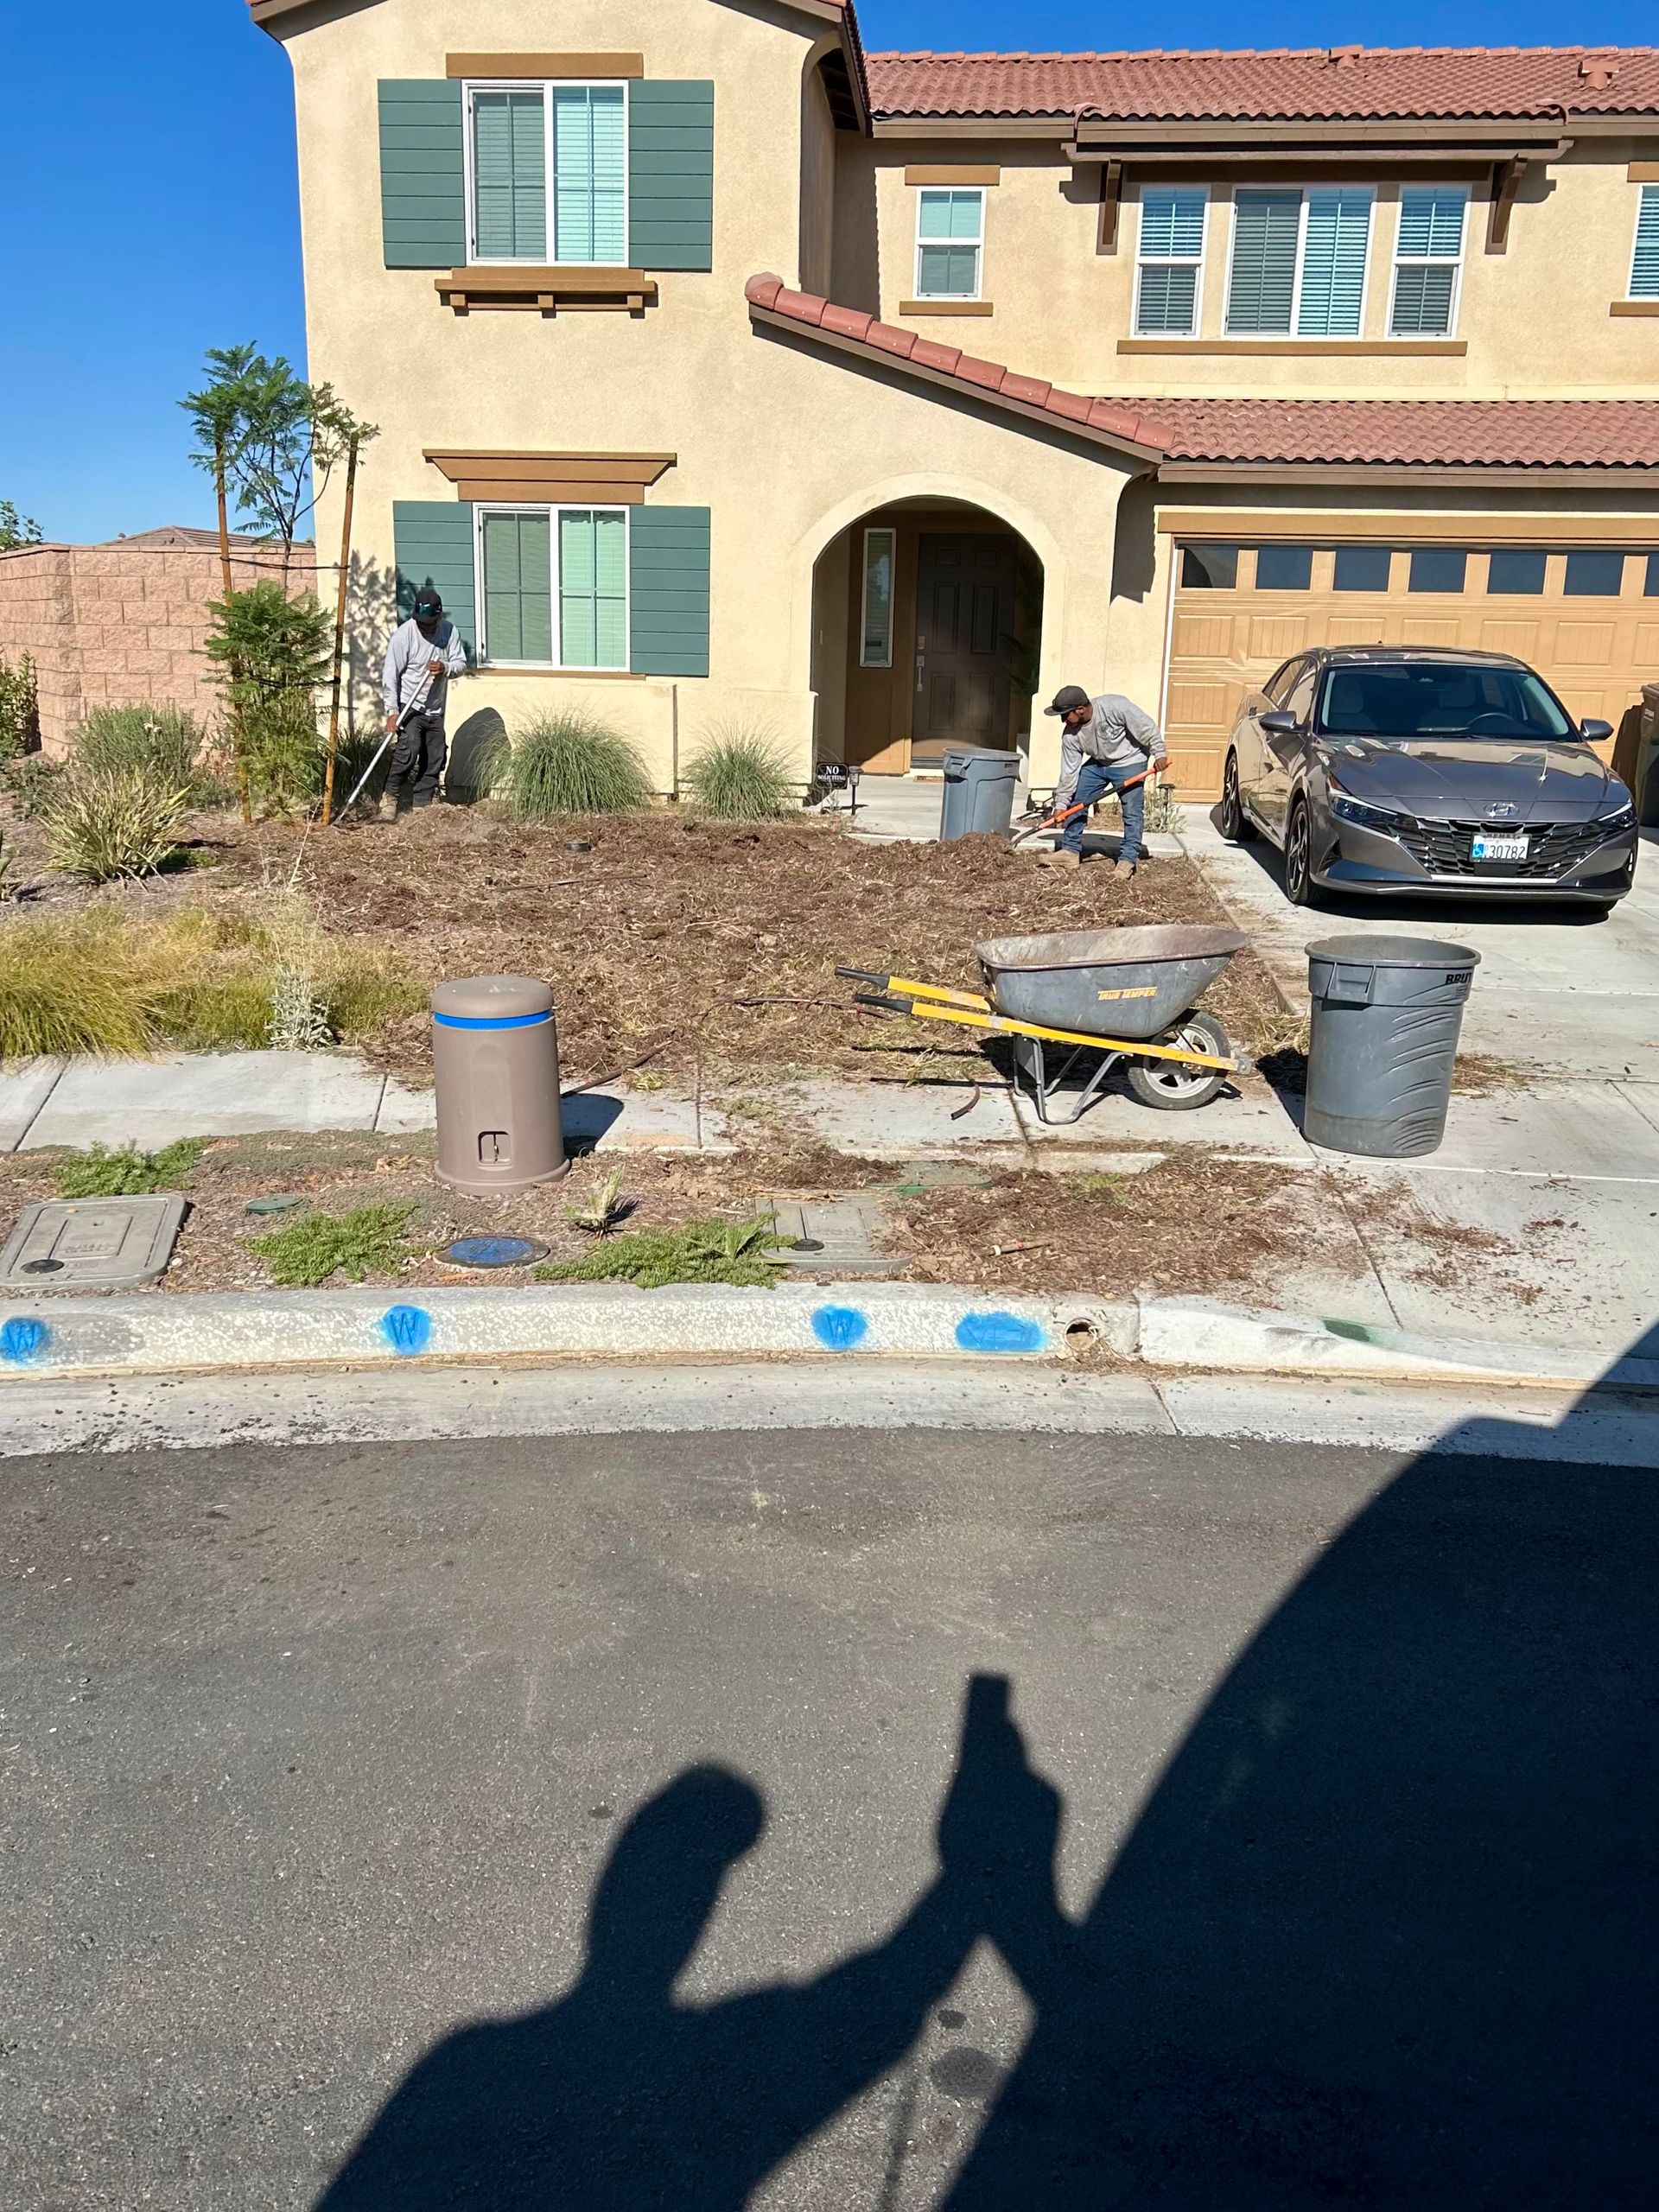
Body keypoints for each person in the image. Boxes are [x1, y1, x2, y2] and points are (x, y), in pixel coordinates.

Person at [1038, 683, 1166, 876]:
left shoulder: (1114, 706)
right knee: (1077, 800)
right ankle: (1070, 851)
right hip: (1099, 763)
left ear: (1080, 709)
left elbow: (1146, 727)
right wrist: (1061, 804)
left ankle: (1127, 860)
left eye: (1065, 715)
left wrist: (1160, 753)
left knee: (1132, 811)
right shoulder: (1070, 736)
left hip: (1130, 761)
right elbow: (1069, 772)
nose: (1063, 720)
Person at [379, 587, 468, 819]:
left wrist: (445, 668)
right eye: (421, 623)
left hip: (434, 708)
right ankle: (390, 799)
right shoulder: (403, 636)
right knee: (408, 750)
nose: (425, 627)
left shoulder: (449, 632)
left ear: (439, 617)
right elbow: (390, 675)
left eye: (430, 623)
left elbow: (460, 664)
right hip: (410, 705)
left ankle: (422, 805)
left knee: (435, 756)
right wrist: (392, 711)